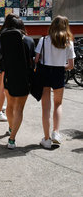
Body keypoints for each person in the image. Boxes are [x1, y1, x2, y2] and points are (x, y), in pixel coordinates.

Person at [35, 16, 75, 149]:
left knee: (45, 107)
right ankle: (56, 133)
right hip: (59, 73)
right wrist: (60, 65)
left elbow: (36, 59)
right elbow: (71, 65)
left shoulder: (44, 39)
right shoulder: (68, 42)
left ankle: (46, 139)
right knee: (58, 103)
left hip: (45, 72)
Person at [0, 16, 35, 149]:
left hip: (9, 77)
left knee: (9, 105)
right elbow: (32, 60)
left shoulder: (4, 40)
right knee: (19, 109)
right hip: (24, 79)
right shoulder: (29, 41)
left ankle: (10, 127)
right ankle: (12, 139)